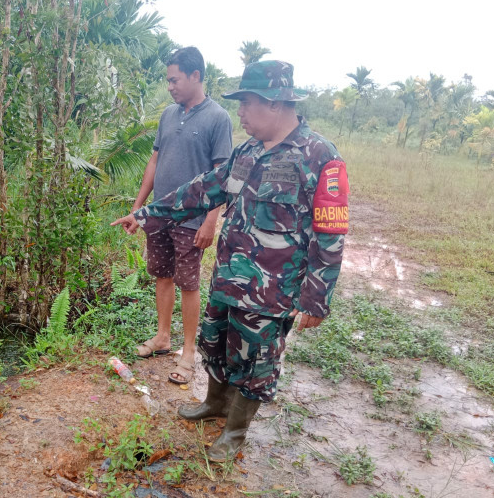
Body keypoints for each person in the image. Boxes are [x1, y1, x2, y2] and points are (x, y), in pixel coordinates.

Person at [113, 60, 349, 461]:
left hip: (272, 291)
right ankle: (215, 404)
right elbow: (202, 191)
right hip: (228, 277)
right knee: (217, 341)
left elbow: (331, 234)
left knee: (256, 360)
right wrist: (145, 214)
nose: (239, 112)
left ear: (274, 103)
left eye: (246, 103)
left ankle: (235, 432)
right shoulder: (247, 152)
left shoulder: (320, 157)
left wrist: (316, 298)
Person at [132, 46, 233, 385]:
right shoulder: (168, 115)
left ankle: (188, 352)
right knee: (161, 275)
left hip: (192, 219)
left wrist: (210, 220)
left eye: (175, 80)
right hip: (159, 215)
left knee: (188, 283)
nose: (170, 86)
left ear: (195, 76)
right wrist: (140, 207)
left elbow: (222, 176)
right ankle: (162, 337)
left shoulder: (218, 118)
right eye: (168, 80)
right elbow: (155, 161)